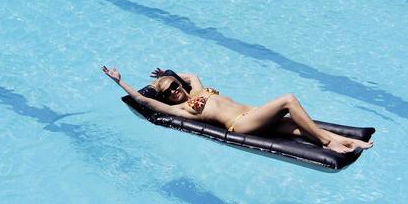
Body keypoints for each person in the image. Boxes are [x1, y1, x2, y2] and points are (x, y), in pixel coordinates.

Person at [102, 65, 373, 154]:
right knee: (288, 100)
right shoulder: (184, 109)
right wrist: (120, 81)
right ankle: (328, 142)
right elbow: (146, 100)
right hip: (242, 124)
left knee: (297, 126)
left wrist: (168, 73)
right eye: (168, 92)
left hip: (253, 115)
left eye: (174, 86)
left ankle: (346, 141)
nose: (174, 91)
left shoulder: (196, 89)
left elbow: (191, 74)